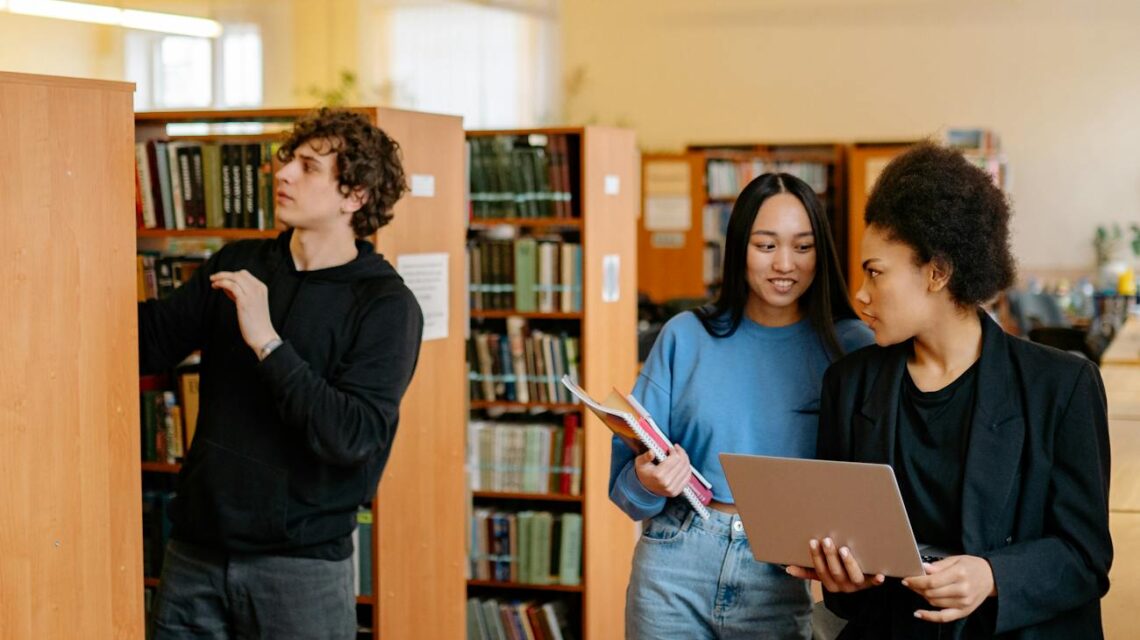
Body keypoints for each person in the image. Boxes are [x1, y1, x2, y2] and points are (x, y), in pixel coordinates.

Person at [788, 143, 1112, 638]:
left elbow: (1086, 559)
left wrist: (992, 576)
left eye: (875, 272)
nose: (860, 293)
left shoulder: (1061, 387)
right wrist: (841, 577)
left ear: (937, 272)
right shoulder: (849, 386)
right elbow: (845, 585)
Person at [141, 108, 424, 639]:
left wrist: (268, 342)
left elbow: (353, 436)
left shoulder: (386, 305)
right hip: (195, 552)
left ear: (355, 195)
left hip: (301, 569)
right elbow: (147, 344)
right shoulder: (240, 262)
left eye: (310, 167)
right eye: (288, 160)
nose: (284, 173)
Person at [610, 172, 874, 639]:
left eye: (803, 247)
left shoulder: (852, 349)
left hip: (781, 571)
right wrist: (649, 481)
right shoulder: (684, 337)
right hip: (674, 564)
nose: (785, 265)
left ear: (822, 253)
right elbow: (626, 493)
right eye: (766, 246)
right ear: (738, 250)